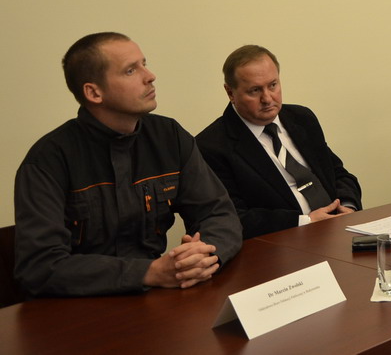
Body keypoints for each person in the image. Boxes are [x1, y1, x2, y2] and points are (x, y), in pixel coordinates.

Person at [14, 32, 242, 297]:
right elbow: (40, 266)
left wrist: (203, 255)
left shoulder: (169, 136)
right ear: (94, 92)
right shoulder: (49, 159)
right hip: (77, 307)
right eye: (131, 70)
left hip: (156, 297)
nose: (150, 76)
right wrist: (148, 272)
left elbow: (218, 213)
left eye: (144, 63)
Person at [196, 45, 362, 239]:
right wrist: (306, 222)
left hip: (338, 230)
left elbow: (339, 174)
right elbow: (233, 217)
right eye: (255, 90)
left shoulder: (302, 118)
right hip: (283, 243)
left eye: (273, 85)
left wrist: (347, 207)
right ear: (230, 93)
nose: (267, 98)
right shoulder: (212, 146)